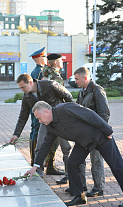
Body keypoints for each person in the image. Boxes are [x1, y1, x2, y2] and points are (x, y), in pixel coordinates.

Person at [25, 101, 123, 207]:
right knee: (72, 163)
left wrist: (107, 130)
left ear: (46, 111)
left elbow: (90, 115)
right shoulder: (50, 126)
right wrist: (36, 165)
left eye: (39, 118)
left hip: (100, 136)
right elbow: (46, 145)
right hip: (83, 143)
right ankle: (79, 196)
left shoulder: (65, 108)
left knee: (116, 165)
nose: (39, 122)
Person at [10, 73, 73, 176]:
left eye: (23, 87)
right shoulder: (26, 96)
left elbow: (68, 96)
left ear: (30, 82)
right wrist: (16, 134)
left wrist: (67, 115)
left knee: (66, 148)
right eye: (20, 88)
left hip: (61, 120)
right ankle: (38, 174)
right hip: (45, 123)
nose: (22, 90)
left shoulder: (50, 85)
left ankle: (69, 175)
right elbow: (23, 116)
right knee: (39, 147)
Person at [73, 67, 109, 197]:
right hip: (83, 133)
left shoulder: (97, 90)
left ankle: (98, 187)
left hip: (95, 133)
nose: (75, 81)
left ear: (85, 77)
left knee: (96, 160)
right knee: (79, 159)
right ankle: (81, 185)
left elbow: (104, 114)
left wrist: (100, 132)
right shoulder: (82, 91)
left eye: (77, 79)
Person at [40, 53, 72, 183]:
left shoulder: (46, 74)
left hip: (47, 114)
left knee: (48, 142)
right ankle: (69, 174)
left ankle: (47, 167)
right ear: (54, 63)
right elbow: (63, 94)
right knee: (66, 147)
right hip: (57, 114)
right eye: (60, 61)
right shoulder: (55, 76)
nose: (62, 62)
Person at [28, 47, 47, 167]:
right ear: (40, 59)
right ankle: (35, 160)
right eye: (44, 57)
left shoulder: (36, 71)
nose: (46, 59)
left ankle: (35, 160)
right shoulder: (39, 72)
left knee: (35, 131)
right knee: (36, 132)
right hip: (38, 106)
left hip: (36, 106)